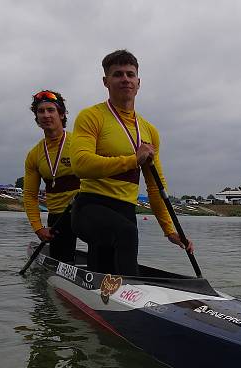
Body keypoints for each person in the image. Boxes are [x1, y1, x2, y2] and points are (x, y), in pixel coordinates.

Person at [70, 49, 193, 276]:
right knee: (126, 234)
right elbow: (80, 164)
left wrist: (169, 230)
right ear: (106, 82)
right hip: (90, 207)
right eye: (118, 74)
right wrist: (133, 160)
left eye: (130, 74)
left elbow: (156, 187)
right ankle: (131, 294)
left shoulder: (149, 131)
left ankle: (99, 297)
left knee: (107, 265)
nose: (125, 79)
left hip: (125, 210)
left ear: (138, 82)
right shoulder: (91, 117)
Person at [22, 89, 80, 264]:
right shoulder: (34, 155)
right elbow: (30, 196)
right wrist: (39, 228)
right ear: (37, 120)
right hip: (58, 216)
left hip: (84, 210)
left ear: (62, 114)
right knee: (63, 260)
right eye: (41, 111)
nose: (46, 115)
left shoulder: (80, 143)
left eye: (51, 110)